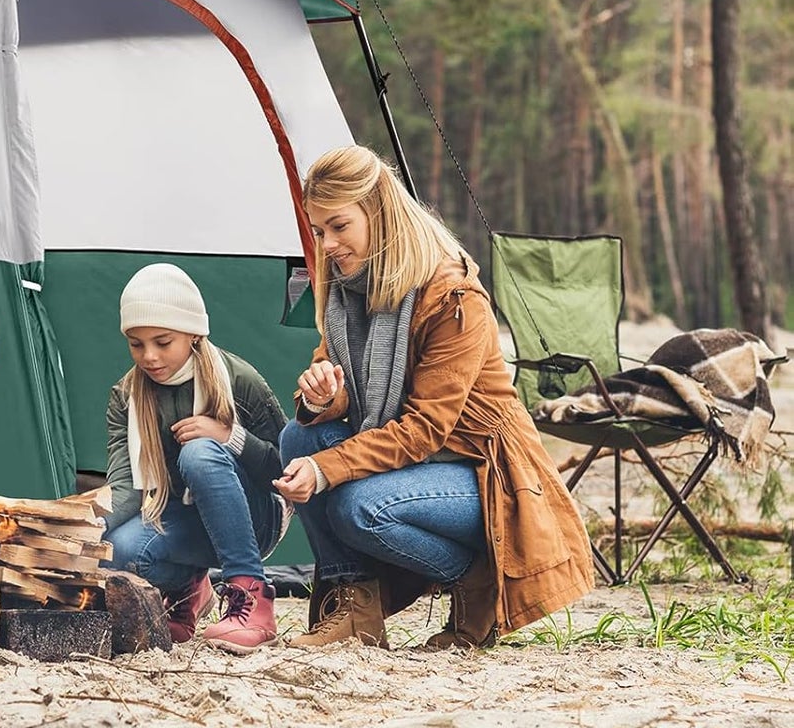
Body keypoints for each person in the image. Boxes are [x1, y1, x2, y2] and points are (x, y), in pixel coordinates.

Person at [274, 145, 594, 650]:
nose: (327, 244)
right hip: (409, 457)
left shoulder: (450, 295)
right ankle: (356, 608)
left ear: (376, 211)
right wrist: (323, 397)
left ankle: (478, 578)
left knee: (358, 506)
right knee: (299, 437)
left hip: (484, 472)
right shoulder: (348, 284)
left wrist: (327, 468)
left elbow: (425, 428)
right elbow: (335, 376)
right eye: (318, 232)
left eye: (338, 227)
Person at [104, 264, 288, 653]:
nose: (149, 356)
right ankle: (188, 590)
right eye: (136, 344)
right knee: (122, 551)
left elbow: (285, 470)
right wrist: (73, 524)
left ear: (193, 333)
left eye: (162, 341)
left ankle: (251, 593)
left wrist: (230, 437)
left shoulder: (239, 380)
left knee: (200, 453)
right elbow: (124, 487)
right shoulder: (126, 396)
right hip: (182, 519)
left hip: (255, 518)